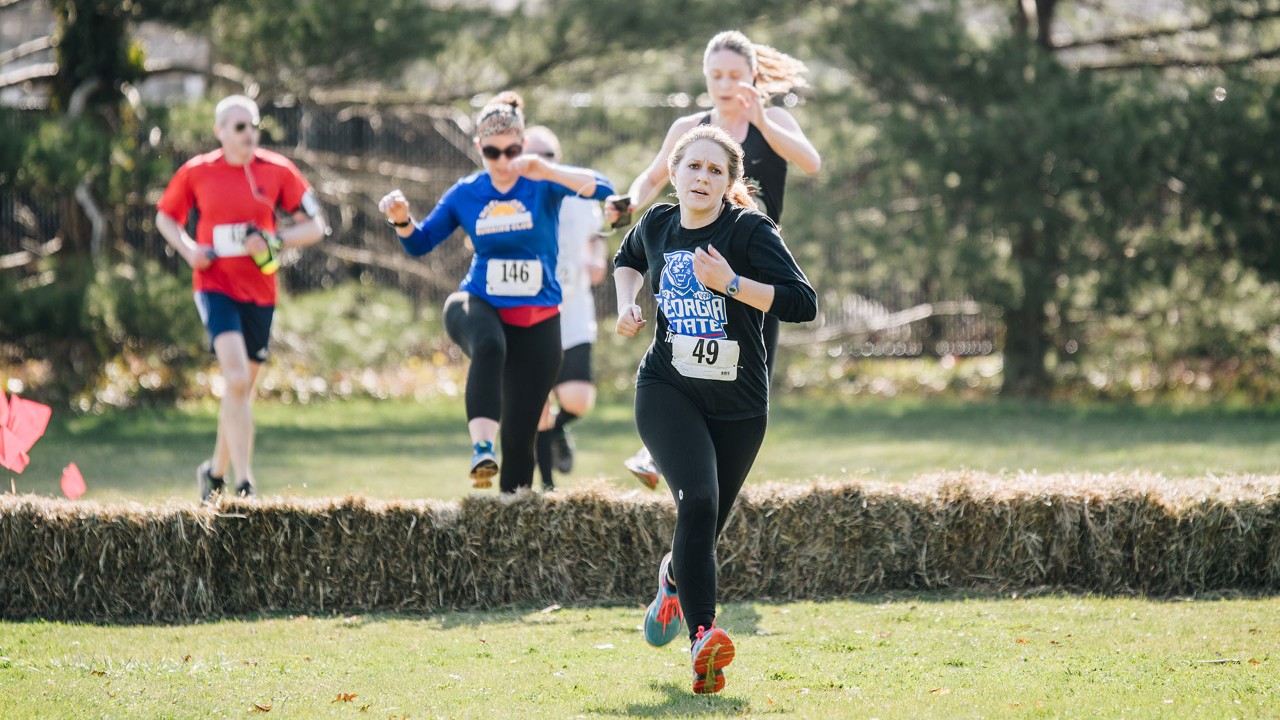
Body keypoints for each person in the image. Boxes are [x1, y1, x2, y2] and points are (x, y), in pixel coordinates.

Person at [614, 125, 817, 694]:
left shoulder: (750, 231)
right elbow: (625, 258)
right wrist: (627, 305)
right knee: (697, 500)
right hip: (667, 388)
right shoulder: (656, 222)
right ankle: (704, 640)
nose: (701, 178)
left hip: (740, 406)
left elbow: (804, 303)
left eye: (715, 171)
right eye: (693, 167)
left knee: (702, 527)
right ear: (674, 172)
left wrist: (732, 284)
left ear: (730, 184)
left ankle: (673, 579)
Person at [609, 30, 822, 489]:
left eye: (735, 75)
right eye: (716, 75)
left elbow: (811, 162)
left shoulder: (774, 119)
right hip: (696, 259)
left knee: (745, 369)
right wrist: (624, 205)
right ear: (705, 77)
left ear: (753, 77)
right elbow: (650, 179)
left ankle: (712, 465)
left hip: (754, 269)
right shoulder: (688, 127)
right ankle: (663, 447)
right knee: (682, 345)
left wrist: (763, 119)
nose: (725, 85)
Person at [378, 93, 615, 493]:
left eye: (512, 151)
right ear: (478, 149)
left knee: (521, 443)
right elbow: (420, 243)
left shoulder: (542, 185)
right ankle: (481, 449)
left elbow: (604, 189)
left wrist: (547, 170)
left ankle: (512, 514)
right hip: (479, 304)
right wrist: (401, 221)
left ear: (522, 147)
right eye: (492, 152)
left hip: (539, 322)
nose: (503, 161)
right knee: (490, 345)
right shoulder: (466, 193)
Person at [156, 94, 328, 501]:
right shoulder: (197, 172)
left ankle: (213, 473)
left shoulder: (277, 171)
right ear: (220, 132)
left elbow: (317, 225)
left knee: (240, 391)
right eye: (239, 127)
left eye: (253, 125)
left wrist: (273, 239)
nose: (248, 133)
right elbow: (166, 217)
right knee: (235, 379)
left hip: (260, 292)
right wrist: (190, 252)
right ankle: (245, 482)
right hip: (215, 287)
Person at [522, 126, 609, 492]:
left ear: (559, 159)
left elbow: (597, 233)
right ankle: (546, 485)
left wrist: (597, 259)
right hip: (529, 314)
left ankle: (558, 432)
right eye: (533, 155)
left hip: (573, 311)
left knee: (578, 398)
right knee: (537, 402)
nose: (541, 162)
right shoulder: (513, 196)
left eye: (549, 155)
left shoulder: (576, 192)